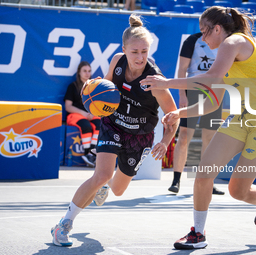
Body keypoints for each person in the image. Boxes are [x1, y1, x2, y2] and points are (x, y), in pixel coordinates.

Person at [140, 6, 256, 249]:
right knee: (203, 174)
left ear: (217, 29)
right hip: (242, 118)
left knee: (238, 191)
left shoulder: (234, 42)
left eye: (204, 31)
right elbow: (211, 103)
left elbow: (210, 77)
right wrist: (179, 112)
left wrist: (167, 82)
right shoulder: (226, 55)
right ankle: (198, 234)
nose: (202, 38)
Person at [51, 14, 179, 247]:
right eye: (135, 51)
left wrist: (166, 141)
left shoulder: (156, 81)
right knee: (101, 175)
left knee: (117, 190)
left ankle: (104, 188)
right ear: (124, 49)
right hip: (113, 124)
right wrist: (95, 93)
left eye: (144, 51)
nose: (140, 57)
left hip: (139, 137)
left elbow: (173, 117)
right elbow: (107, 87)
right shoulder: (117, 61)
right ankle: (63, 225)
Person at [169, 32, 225, 195]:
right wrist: (181, 94)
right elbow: (182, 68)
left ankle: (207, 182)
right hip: (193, 90)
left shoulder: (225, 42)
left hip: (215, 92)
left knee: (210, 138)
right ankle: (176, 180)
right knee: (185, 135)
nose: (203, 28)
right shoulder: (192, 40)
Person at [64, 61, 100, 167]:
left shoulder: (94, 88)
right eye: (84, 71)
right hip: (75, 115)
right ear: (79, 72)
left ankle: (91, 155)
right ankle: (88, 154)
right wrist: (84, 113)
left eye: (89, 71)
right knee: (85, 125)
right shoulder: (73, 86)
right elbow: (68, 106)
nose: (87, 73)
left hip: (91, 114)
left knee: (99, 124)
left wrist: (92, 113)